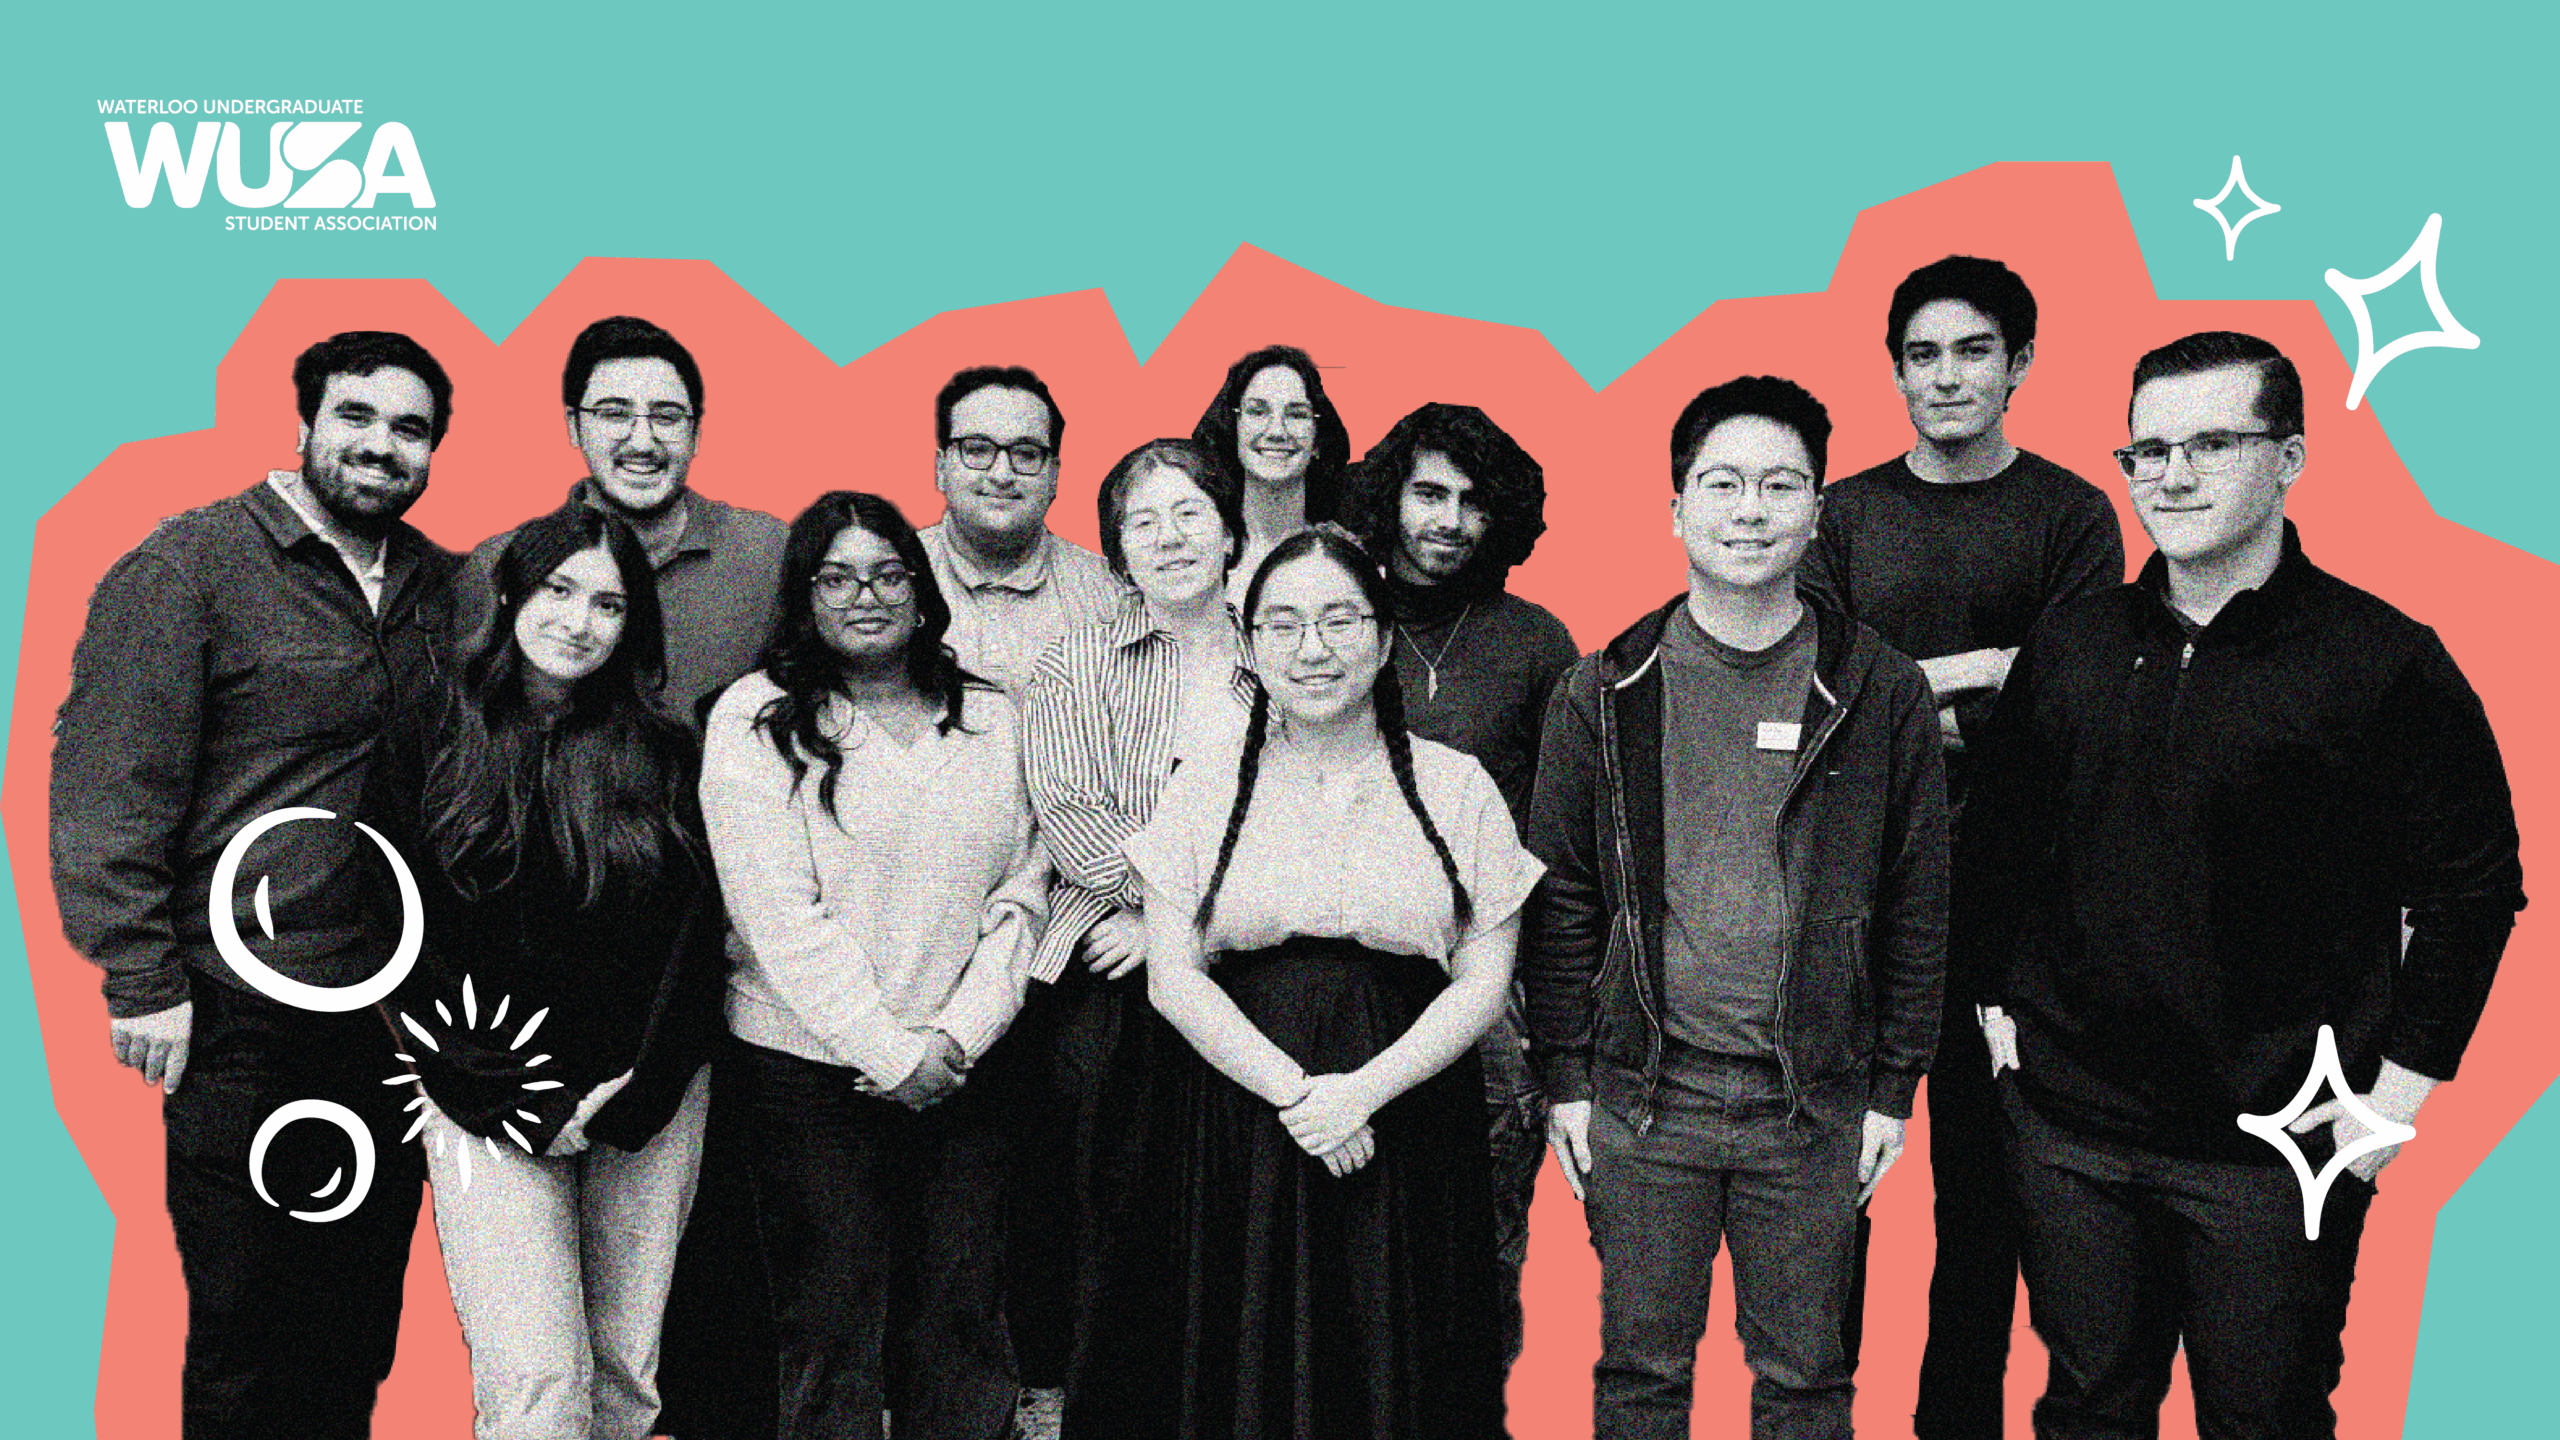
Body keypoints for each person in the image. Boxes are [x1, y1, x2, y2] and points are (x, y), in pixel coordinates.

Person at [1955, 331, 2524, 1439]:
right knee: (2085, 1412)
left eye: (2210, 443)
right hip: (2069, 1132)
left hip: (2282, 1149)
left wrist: (2384, 1112)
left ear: (2291, 457)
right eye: (2146, 450)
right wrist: (1995, 1017)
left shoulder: (2382, 660)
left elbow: (2472, 893)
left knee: (2265, 1421)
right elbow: (1998, 850)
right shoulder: (2069, 645)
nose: (2170, 475)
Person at [50, 330, 460, 1439]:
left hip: (389, 1018)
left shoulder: (445, 586)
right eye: (357, 417)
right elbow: (108, 785)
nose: (381, 447)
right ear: (305, 423)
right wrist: (140, 976)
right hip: (240, 1012)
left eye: (410, 429)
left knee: (358, 1316)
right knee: (246, 1318)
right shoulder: (188, 568)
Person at [1525, 375, 1947, 1440]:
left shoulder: (1876, 688)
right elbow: (1564, 895)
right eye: (1721, 483)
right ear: (1675, 510)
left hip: (1811, 1102)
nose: (1749, 509)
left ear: (1817, 510)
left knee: (1806, 1378)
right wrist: (1568, 1080)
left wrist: (1894, 1087)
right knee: (1639, 1376)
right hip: (1643, 1097)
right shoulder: (1604, 688)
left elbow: (1916, 897)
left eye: (1778, 484)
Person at [1114, 526, 1543, 1439]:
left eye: (1341, 619)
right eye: (1285, 623)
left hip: (1409, 1112)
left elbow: (1483, 979)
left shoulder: (1456, 786)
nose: (1314, 649)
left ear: (1384, 640)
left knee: (1399, 1351)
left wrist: (1362, 1094)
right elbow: (1172, 978)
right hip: (1239, 1113)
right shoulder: (1201, 787)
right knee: (1247, 1346)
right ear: (1251, 645)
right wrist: (1298, 1094)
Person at [1796, 255, 2122, 1429]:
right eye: (1922, 355)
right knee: (1829, 1189)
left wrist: (1907, 695)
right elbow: (1814, 707)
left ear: (2020, 363)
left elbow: (2078, 712)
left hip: (2013, 909)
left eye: (1972, 350)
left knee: (1986, 1205)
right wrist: (1975, 673)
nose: (1945, 377)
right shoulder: (1842, 514)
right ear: (1894, 371)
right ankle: (1812, 1411)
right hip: (1856, 895)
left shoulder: (2073, 515)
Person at [699, 490, 1046, 1440]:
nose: (866, 595)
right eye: (838, 577)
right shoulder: (756, 717)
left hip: (964, 1063)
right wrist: (891, 1053)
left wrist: (957, 1036)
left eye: (888, 573)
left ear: (920, 587)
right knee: (830, 1323)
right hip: (806, 1070)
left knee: (963, 1318)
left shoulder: (990, 714)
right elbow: (777, 916)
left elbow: (1024, 889)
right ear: (803, 594)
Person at [392, 506, 726, 1440]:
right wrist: (478, 1079)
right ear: (510, 594)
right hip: (482, 1097)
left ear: (634, 626)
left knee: (625, 1376)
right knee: (536, 1381)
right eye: (559, 590)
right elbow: (394, 924)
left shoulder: (666, 753)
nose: (580, 621)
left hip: (644, 1101)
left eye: (609, 604)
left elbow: (700, 939)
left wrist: (645, 1087)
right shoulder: (431, 730)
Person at [1015, 438, 1257, 1438]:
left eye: (1190, 513)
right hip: (1100, 952)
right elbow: (1071, 813)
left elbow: (1294, 809)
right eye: (1142, 521)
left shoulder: (1279, 654)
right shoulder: (1076, 659)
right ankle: (1075, 1396)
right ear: (1114, 547)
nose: (1169, 538)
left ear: (1232, 529)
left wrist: (1175, 930)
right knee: (1102, 1183)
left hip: (1242, 945)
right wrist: (1163, 924)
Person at [1342, 402, 1578, 1408]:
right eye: (1428, 492)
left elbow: (1564, 835)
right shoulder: (1332, 620)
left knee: (1482, 1232)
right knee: (1348, 1216)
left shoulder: (1534, 643)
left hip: (1488, 981)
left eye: (1472, 503)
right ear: (1390, 496)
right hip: (1342, 973)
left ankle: (1465, 1410)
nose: (1446, 519)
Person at [463, 315, 790, 730]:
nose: (642, 441)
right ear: (573, 426)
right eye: (614, 414)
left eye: (667, 416)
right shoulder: (499, 562)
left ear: (697, 433)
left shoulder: (770, 550)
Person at [917, 364, 1128, 693]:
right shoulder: (892, 580)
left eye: (1026, 454)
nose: (1002, 475)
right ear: (941, 468)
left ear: (1055, 476)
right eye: (977, 450)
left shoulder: (1111, 595)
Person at [1189, 345, 1354, 600]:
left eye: (1297, 414)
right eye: (1257, 411)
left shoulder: (1348, 557)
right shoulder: (1196, 549)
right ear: (1233, 429)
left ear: (1318, 441)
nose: (1277, 431)